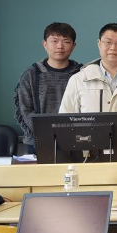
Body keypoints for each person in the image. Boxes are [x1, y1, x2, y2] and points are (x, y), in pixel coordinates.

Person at [14, 22, 83, 154]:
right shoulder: (31, 74)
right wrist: (47, 133)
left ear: (73, 46)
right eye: (54, 41)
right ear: (45, 44)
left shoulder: (82, 73)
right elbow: (25, 109)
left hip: (75, 141)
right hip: (38, 142)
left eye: (66, 41)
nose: (60, 46)